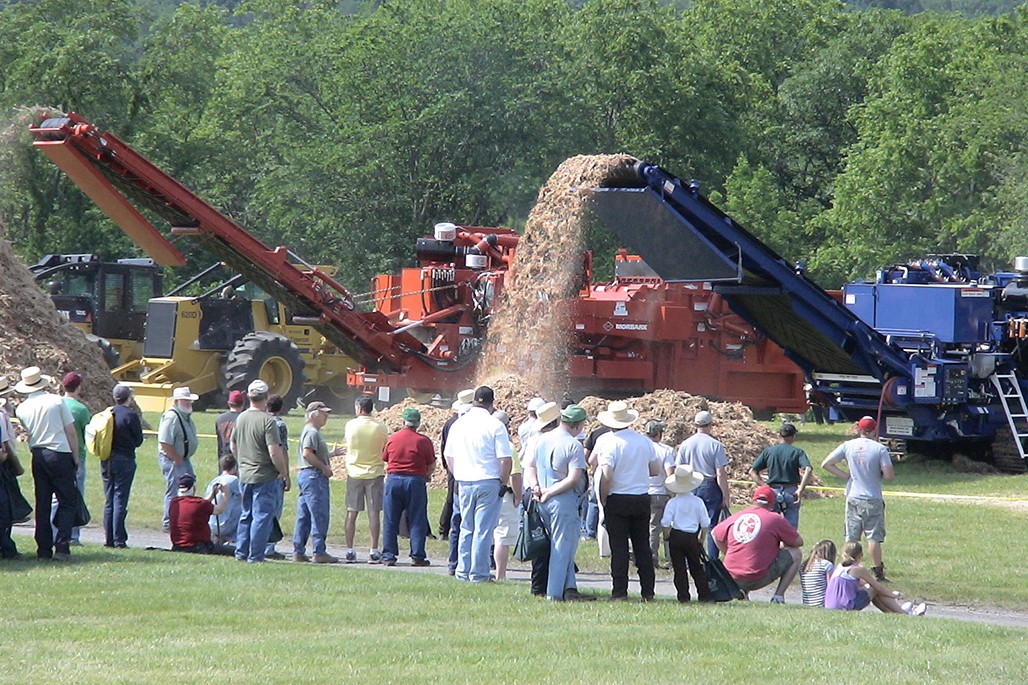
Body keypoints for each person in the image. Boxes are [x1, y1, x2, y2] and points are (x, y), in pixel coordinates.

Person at [523, 403, 593, 601]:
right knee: (562, 548)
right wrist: (550, 492)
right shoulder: (573, 445)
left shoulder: (542, 439)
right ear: (577, 425)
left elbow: (530, 466)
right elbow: (573, 478)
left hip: (542, 499)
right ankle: (554, 594)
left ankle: (569, 588)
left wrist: (536, 487)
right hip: (562, 500)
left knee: (559, 545)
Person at [444, 385, 512, 583]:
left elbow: (449, 456)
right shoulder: (495, 425)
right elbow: (505, 459)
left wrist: (458, 474)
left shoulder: (459, 424)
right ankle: (479, 572)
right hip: (488, 480)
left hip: (464, 480)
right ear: (492, 404)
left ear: (473, 401)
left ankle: (462, 570)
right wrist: (503, 481)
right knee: (483, 529)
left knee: (466, 527)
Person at [594, 400, 661, 601]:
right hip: (641, 497)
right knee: (642, 547)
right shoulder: (644, 441)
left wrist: (603, 497)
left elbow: (607, 475)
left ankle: (620, 591)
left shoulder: (609, 443)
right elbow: (655, 470)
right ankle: (648, 591)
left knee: (619, 548)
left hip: (618, 497)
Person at [14, 367, 79, 561]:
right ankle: (62, 546)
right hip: (59, 452)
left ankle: (43, 549)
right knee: (67, 501)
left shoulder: (22, 408)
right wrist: (75, 457)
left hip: (38, 454)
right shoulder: (56, 401)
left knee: (42, 502)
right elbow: (71, 432)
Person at [821, 415, 895, 582]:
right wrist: (879, 473)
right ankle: (877, 572)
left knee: (851, 536)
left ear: (858, 429)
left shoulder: (848, 446)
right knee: (873, 537)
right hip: (873, 497)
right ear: (874, 430)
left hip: (853, 496)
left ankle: (847, 568)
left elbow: (826, 464)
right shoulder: (880, 449)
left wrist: (846, 475)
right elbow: (889, 475)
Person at [713, 485, 804, 603]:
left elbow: (715, 533)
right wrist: (779, 545)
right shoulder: (775, 519)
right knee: (796, 553)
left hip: (730, 577)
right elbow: (798, 542)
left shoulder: (738, 516)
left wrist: (728, 551)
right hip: (757, 578)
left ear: (753, 500)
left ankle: (741, 591)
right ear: (772, 503)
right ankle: (778, 596)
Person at [232, 379, 290, 563]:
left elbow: (233, 445)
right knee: (262, 516)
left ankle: (241, 552)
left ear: (249, 397)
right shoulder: (268, 421)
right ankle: (256, 555)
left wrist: (242, 461)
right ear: (266, 397)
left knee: (245, 515)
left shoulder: (240, 418)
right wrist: (283, 472)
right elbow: (274, 451)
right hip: (264, 475)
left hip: (245, 474)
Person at [381, 407, 436, 567]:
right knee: (417, 518)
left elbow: (385, 458)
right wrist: (427, 474)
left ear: (403, 422)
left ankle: (389, 555)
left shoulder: (393, 438)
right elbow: (431, 464)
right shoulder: (423, 441)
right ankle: (417, 555)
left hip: (393, 480)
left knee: (390, 519)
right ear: (418, 423)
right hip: (415, 480)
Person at [293, 401, 344, 563]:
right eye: (323, 413)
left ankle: (298, 550)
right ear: (313, 414)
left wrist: (331, 454)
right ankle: (319, 551)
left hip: (306, 476)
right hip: (314, 477)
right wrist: (324, 468)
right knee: (319, 514)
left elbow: (313, 453)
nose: (326, 416)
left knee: (304, 515)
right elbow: (307, 454)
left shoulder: (310, 431)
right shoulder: (312, 432)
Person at [676, 410, 730, 559]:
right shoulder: (715, 445)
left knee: (691, 523)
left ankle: (691, 559)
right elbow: (720, 473)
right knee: (712, 525)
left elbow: (679, 468)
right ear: (710, 424)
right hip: (710, 486)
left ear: (695, 424)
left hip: (691, 485)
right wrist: (725, 495)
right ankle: (712, 560)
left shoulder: (686, 444)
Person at [343, 395, 389, 563]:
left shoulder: (350, 425)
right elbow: (384, 448)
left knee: (351, 512)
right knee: (374, 513)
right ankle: (373, 550)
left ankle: (350, 550)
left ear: (359, 408)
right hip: (375, 472)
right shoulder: (381, 427)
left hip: (354, 471)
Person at [825, 541, 925, 615]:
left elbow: (861, 583)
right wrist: (893, 595)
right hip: (845, 607)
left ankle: (894, 613)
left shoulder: (839, 567)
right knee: (873, 590)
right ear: (860, 555)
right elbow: (877, 587)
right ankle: (904, 614)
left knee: (871, 591)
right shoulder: (858, 569)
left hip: (830, 606)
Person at [661, 464, 712, 603]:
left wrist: (666, 535)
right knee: (696, 567)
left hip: (676, 535)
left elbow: (665, 522)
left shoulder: (673, 502)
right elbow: (705, 523)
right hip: (691, 537)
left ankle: (683, 596)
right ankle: (704, 595)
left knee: (679, 568)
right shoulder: (698, 502)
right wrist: (702, 538)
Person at [748, 422, 813, 529]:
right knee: (790, 528)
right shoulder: (797, 452)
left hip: (773, 491)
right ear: (793, 436)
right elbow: (808, 469)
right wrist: (800, 489)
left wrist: (764, 486)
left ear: (779, 435)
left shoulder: (769, 451)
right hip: (791, 491)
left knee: (770, 525)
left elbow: (752, 471)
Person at [104, 384, 144, 549]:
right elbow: (138, 440)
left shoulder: (107, 413)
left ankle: (109, 539)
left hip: (107, 459)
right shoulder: (130, 415)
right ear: (128, 398)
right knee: (120, 499)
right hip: (125, 459)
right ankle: (119, 539)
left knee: (109, 499)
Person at [157, 386, 199, 533]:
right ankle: (169, 523)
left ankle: (183, 520)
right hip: (172, 460)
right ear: (176, 401)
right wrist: (176, 458)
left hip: (182, 458)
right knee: (174, 490)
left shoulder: (184, 415)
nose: (188, 403)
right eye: (185, 400)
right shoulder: (172, 417)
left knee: (188, 488)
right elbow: (164, 441)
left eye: (189, 400)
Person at [58, 372, 90, 546]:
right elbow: (86, 433)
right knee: (76, 496)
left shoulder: (56, 404)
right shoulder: (81, 409)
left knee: (56, 497)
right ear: (78, 388)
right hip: (77, 455)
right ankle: (74, 535)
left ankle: (54, 531)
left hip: (57, 453)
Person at [440, 388, 474, 545]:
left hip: (453, 464)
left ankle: (445, 529)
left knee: (452, 497)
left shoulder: (450, 423)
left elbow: (444, 446)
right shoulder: (467, 422)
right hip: (466, 464)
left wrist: (447, 465)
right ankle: (447, 528)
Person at [169, 473, 233, 555]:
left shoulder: (174, 503)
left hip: (177, 546)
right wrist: (225, 494)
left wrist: (212, 495)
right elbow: (219, 510)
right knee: (234, 550)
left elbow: (199, 506)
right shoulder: (200, 504)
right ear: (193, 488)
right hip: (198, 547)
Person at [490, 410, 521, 581]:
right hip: (504, 493)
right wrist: (518, 496)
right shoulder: (508, 446)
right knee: (502, 535)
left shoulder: (485, 441)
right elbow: (514, 475)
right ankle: (500, 574)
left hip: (485, 489)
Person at [644, 419, 676, 569]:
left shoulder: (641, 448)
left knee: (649, 527)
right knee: (665, 526)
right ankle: (668, 558)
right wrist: (672, 492)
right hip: (660, 492)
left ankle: (649, 557)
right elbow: (670, 474)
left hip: (643, 491)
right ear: (659, 434)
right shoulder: (666, 450)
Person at [0, 378, 25, 559]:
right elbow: (6, 444)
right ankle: (7, 547)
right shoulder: (1, 416)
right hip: (5, 464)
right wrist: (17, 465)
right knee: (6, 507)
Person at [264, 394, 289, 560]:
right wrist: (286, 473)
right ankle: (269, 547)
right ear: (281, 408)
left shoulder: (261, 421)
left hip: (260, 469)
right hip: (276, 471)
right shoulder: (280, 425)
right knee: (275, 509)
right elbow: (282, 450)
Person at [204, 455, 242, 545]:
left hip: (211, 524)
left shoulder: (214, 481)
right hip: (225, 525)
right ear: (235, 467)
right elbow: (246, 497)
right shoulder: (234, 480)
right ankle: (235, 539)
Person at [800, 539, 837, 608]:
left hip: (807, 604)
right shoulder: (826, 564)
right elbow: (830, 587)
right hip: (822, 604)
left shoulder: (805, 565)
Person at [215, 390, 246, 459]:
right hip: (239, 456)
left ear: (229, 403)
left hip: (224, 457)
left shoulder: (220, 419)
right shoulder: (244, 419)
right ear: (243, 404)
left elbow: (219, 443)